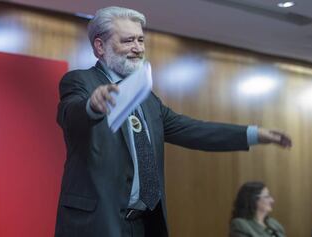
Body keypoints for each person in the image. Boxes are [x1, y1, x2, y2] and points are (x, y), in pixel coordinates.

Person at [54, 6, 292, 237]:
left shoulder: (147, 99)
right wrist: (92, 106)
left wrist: (255, 134)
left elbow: (193, 130)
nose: (137, 48)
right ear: (100, 46)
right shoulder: (80, 81)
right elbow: (70, 115)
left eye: (140, 40)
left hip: (144, 224)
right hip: (97, 224)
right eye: (127, 41)